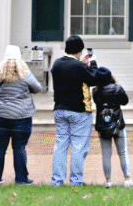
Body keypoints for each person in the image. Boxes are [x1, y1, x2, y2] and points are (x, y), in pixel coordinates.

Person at [50, 35, 101, 187]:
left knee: (60, 145)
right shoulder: (80, 67)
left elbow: (72, 73)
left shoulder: (56, 64)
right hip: (79, 110)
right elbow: (94, 79)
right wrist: (92, 63)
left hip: (59, 109)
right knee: (78, 147)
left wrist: (83, 64)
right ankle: (76, 181)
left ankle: (57, 181)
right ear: (79, 50)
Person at [0, 45, 41, 186]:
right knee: (19, 147)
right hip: (21, 116)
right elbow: (37, 88)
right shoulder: (25, 73)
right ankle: (22, 179)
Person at [93, 66, 133, 188]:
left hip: (103, 125)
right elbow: (125, 101)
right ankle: (127, 179)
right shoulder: (117, 88)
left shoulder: (95, 91)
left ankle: (108, 181)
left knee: (106, 153)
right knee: (122, 152)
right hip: (118, 124)